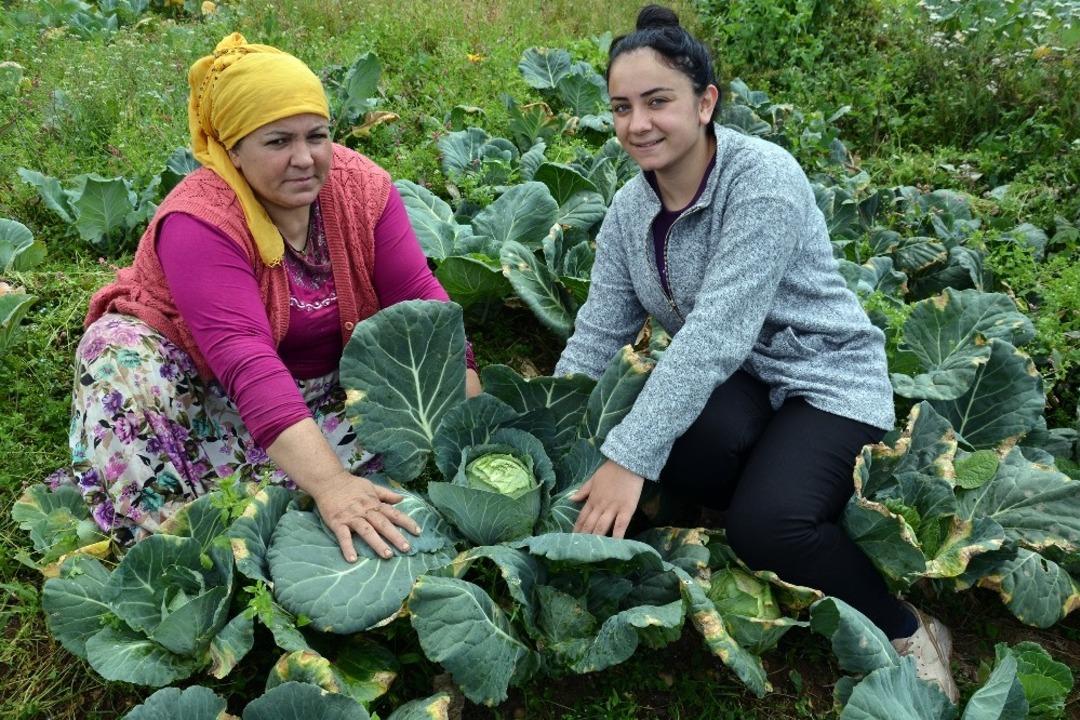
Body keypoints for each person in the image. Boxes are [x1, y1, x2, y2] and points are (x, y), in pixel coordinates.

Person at [557, 5, 959, 703]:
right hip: (740, 382)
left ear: (705, 101)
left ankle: (907, 629)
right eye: (622, 107)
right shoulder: (628, 209)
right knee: (668, 445)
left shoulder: (761, 178)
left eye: (658, 102)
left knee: (765, 526)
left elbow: (714, 332)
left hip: (824, 379)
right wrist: (553, 430)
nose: (637, 124)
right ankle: (771, 480)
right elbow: (600, 332)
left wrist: (627, 461)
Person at [55, 33, 480, 563]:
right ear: (232, 149)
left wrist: (471, 432)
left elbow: (426, 308)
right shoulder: (200, 220)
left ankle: (281, 487)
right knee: (114, 350)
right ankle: (181, 541)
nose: (304, 158)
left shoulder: (363, 190)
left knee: (397, 447)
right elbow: (245, 359)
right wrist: (331, 485)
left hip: (320, 394)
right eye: (277, 141)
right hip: (199, 389)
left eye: (317, 135)